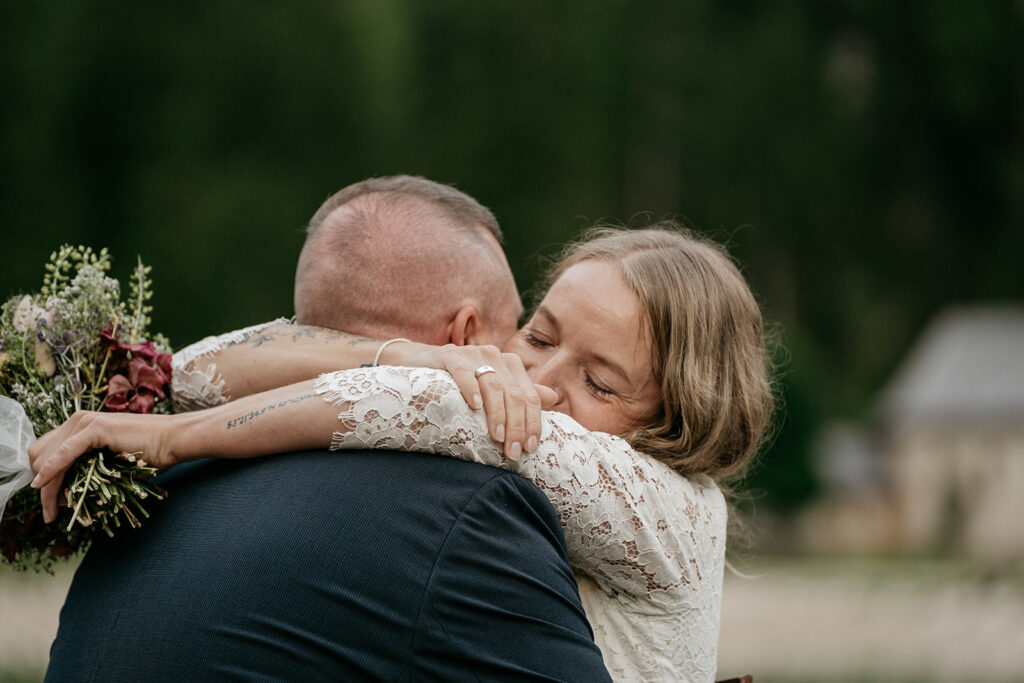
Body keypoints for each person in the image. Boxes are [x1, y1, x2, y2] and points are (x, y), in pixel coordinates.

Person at [33, 223, 775, 681]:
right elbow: (197, 367)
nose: (536, 378)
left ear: (679, 421)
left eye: (599, 380)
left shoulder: (666, 503)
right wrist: (411, 351)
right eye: (539, 338)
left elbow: (436, 407)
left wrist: (165, 438)